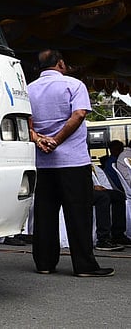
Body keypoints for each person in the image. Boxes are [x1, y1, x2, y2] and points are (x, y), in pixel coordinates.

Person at [26, 49, 113, 277]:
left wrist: (39, 140)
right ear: (61, 63)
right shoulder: (74, 85)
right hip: (73, 161)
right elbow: (80, 114)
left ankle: (44, 263)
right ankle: (84, 265)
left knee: (45, 213)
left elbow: (27, 123)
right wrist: (56, 140)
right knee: (78, 214)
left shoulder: (29, 89)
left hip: (43, 163)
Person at [90, 162, 130, 250]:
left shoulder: (90, 165)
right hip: (79, 191)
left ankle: (118, 235)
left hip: (90, 188)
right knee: (103, 197)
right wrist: (91, 187)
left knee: (119, 196)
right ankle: (102, 239)